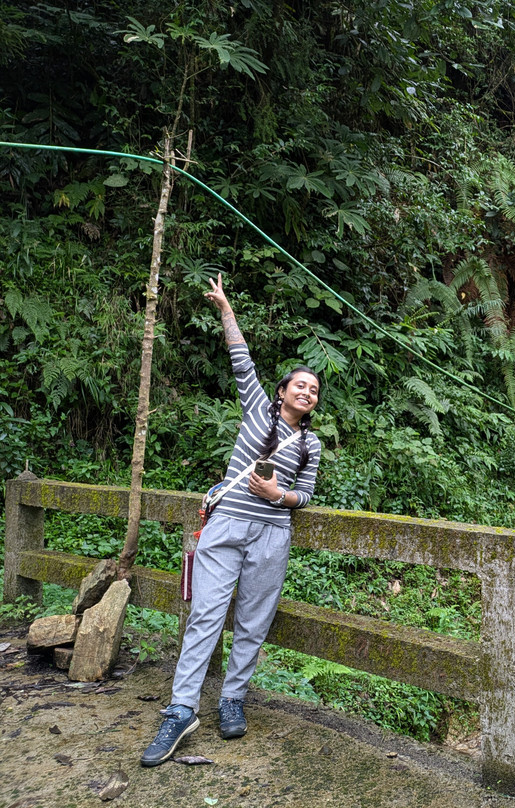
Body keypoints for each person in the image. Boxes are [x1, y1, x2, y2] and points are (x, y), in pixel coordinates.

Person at [140, 274, 322, 766]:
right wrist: (225, 307)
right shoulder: (257, 412)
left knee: (252, 621)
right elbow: (240, 357)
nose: (307, 392)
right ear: (282, 391)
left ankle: (232, 699)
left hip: (272, 534)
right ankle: (180, 710)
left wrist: (278, 494)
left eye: (314, 391)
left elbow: (305, 496)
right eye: (300, 385)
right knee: (205, 615)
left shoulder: (311, 445)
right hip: (225, 528)